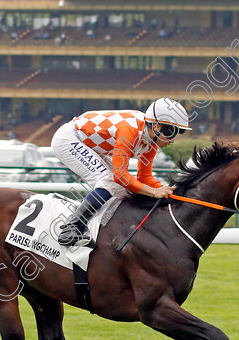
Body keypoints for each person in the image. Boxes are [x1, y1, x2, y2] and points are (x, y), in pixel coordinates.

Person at [50, 98, 191, 247]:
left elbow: (144, 178)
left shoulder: (151, 142)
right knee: (109, 182)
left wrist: (168, 190)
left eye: (179, 133)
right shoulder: (130, 130)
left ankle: (104, 232)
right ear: (156, 126)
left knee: (122, 191)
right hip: (68, 139)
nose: (173, 140)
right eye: (171, 132)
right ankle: (71, 229)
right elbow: (120, 176)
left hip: (89, 144)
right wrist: (154, 192)